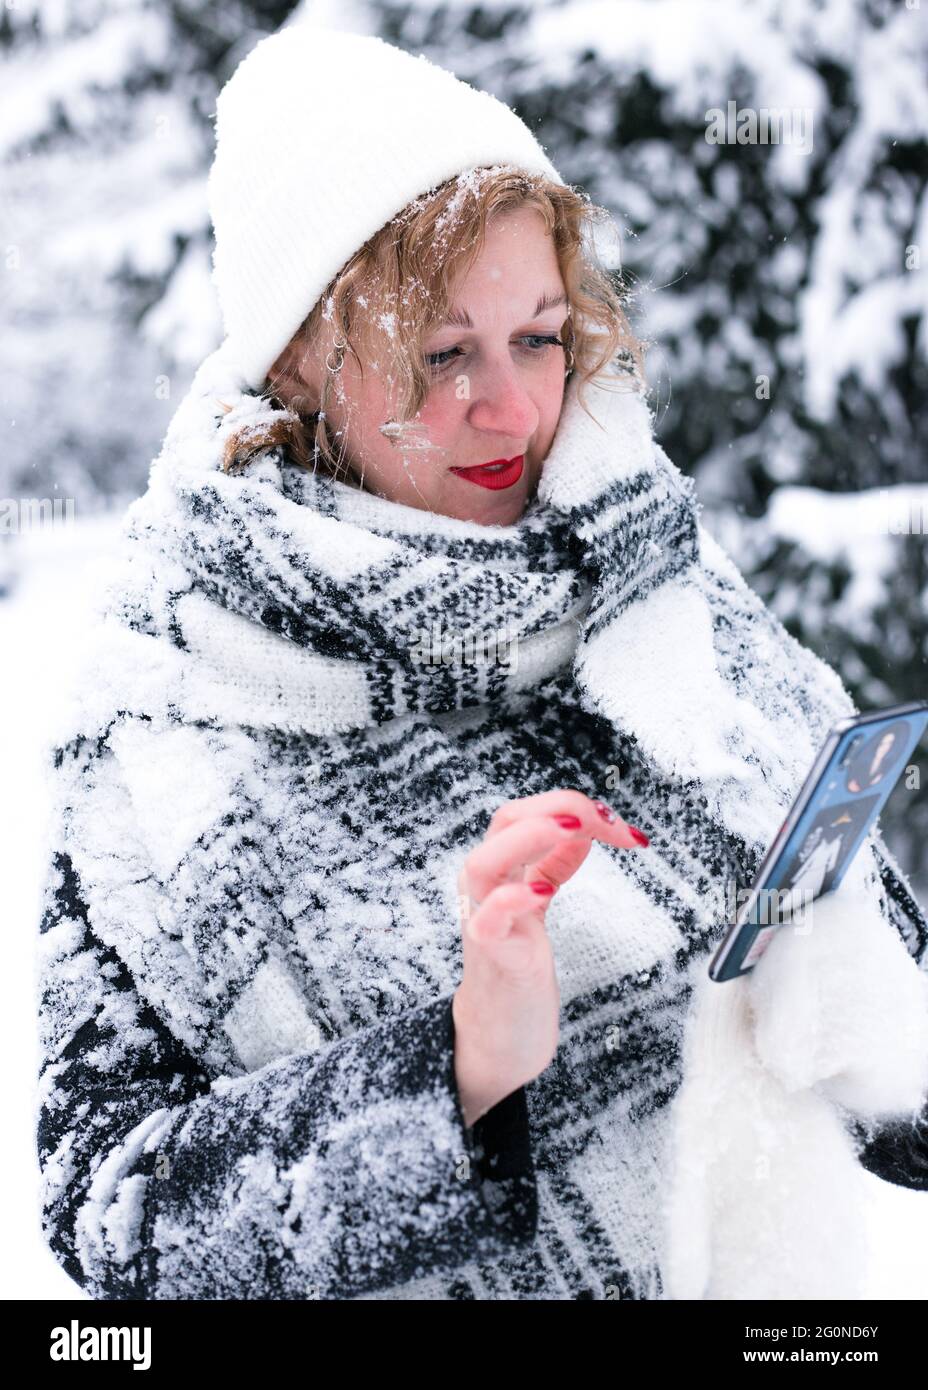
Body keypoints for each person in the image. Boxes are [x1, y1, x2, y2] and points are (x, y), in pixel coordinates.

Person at [35, 25, 928, 1302]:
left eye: (542, 336)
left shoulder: (647, 565)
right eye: (443, 353)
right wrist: (454, 1071)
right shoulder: (165, 714)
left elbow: (898, 1087)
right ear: (299, 358)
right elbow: (113, 1204)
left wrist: (866, 1003)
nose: (512, 410)